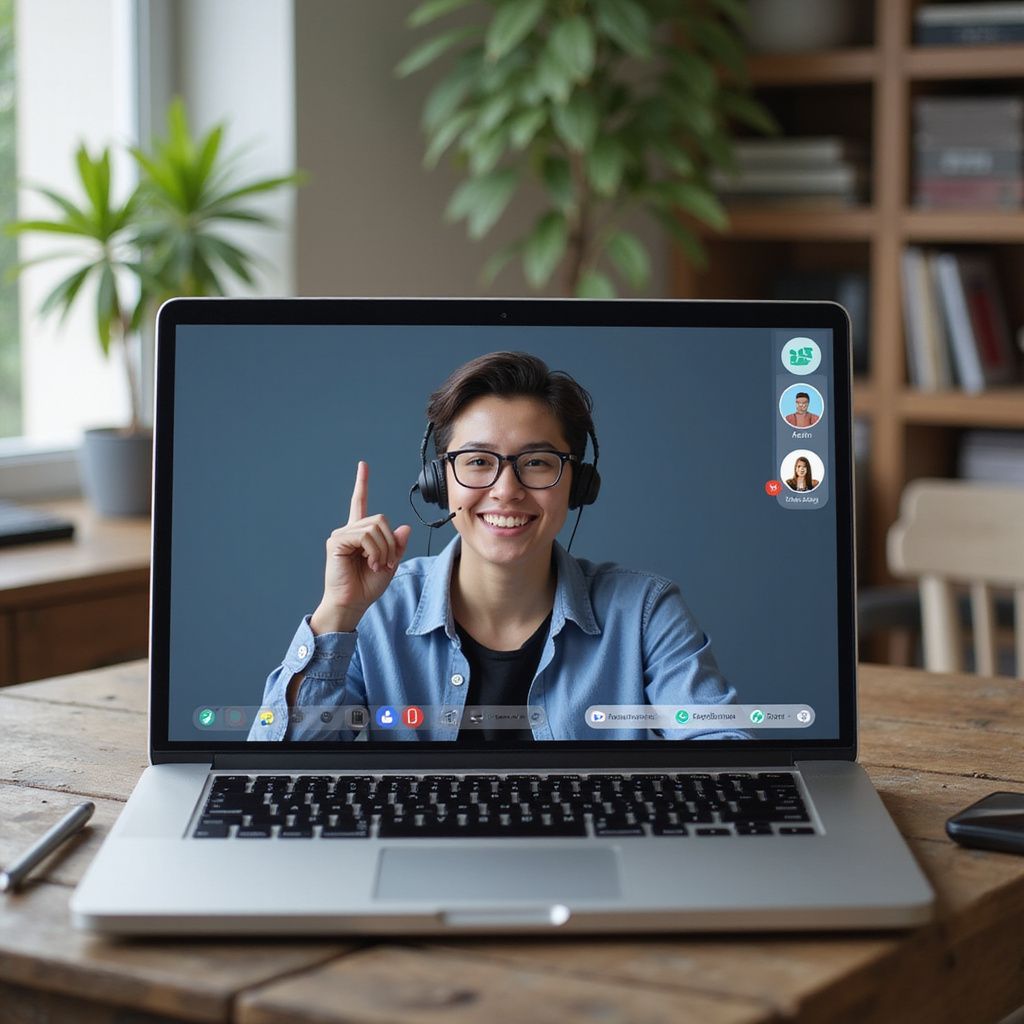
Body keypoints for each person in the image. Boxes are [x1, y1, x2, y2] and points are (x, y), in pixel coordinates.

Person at [251, 351, 741, 742]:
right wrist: (337, 614)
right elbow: (279, 776)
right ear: (439, 482)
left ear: (578, 484)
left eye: (537, 462)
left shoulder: (645, 612)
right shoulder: (376, 613)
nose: (506, 491)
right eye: (478, 462)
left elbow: (725, 754)